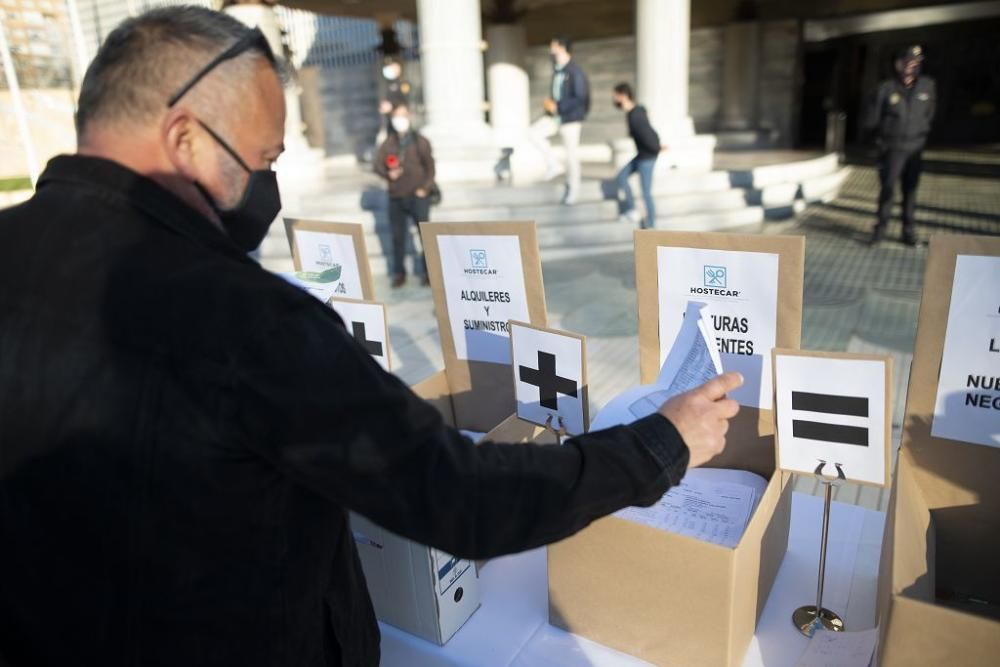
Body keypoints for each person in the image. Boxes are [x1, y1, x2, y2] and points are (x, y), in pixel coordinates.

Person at [0, 7, 742, 666]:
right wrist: (660, 441)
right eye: (263, 159)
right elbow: (461, 498)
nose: (269, 187)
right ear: (186, 139)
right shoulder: (249, 319)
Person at [864, 45, 936, 246]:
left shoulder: (927, 87)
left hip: (914, 149)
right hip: (891, 149)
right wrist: (879, 144)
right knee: (887, 190)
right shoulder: (886, 89)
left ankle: (908, 232)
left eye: (916, 63)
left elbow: (929, 115)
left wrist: (920, 136)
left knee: (911, 191)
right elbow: (872, 120)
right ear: (899, 65)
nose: (911, 67)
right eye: (907, 62)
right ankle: (881, 230)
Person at [373, 102, 433, 288]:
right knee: (397, 237)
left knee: (425, 236)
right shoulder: (388, 143)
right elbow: (377, 165)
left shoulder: (420, 141)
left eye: (403, 116)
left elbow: (430, 168)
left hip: (418, 195)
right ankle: (399, 273)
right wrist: (387, 174)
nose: (400, 120)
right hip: (396, 196)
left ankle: (429, 272)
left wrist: (425, 187)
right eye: (397, 116)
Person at [529, 35, 590, 205]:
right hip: (555, 117)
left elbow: (580, 97)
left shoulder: (575, 71)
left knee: (571, 156)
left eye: (553, 46)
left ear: (562, 48)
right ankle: (553, 163)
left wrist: (559, 106)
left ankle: (574, 190)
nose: (551, 49)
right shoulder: (558, 70)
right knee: (533, 133)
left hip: (570, 118)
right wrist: (551, 105)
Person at [612, 82, 662, 229]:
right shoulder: (635, 112)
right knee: (621, 176)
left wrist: (656, 147)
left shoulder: (635, 115)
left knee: (646, 192)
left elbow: (648, 134)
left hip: (647, 157)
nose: (614, 99)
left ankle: (651, 225)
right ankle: (633, 209)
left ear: (623, 95)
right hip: (642, 155)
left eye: (615, 96)